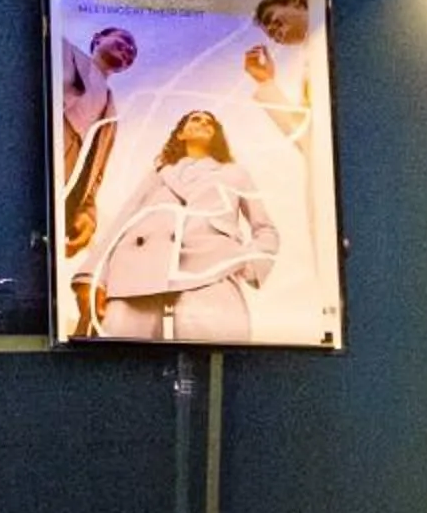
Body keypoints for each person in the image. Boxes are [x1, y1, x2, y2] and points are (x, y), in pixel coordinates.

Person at [93, 110, 279, 346]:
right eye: (195, 119)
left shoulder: (234, 173)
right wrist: (96, 278)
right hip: (137, 271)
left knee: (215, 357)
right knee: (120, 363)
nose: (203, 123)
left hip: (211, 269)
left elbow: (265, 229)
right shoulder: (158, 174)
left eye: (210, 122)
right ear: (180, 134)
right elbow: (123, 222)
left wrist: (248, 263)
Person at [56, 24, 136, 338]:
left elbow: (96, 169)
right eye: (123, 40)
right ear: (98, 39)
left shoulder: (111, 108)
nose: (127, 50)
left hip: (71, 168)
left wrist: (87, 210)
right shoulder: (62, 52)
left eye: (132, 53)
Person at [240, 0, 316, 153]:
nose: (270, 31)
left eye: (270, 19)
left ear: (295, 1)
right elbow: (310, 141)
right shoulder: (311, 64)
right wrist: (266, 82)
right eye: (268, 33)